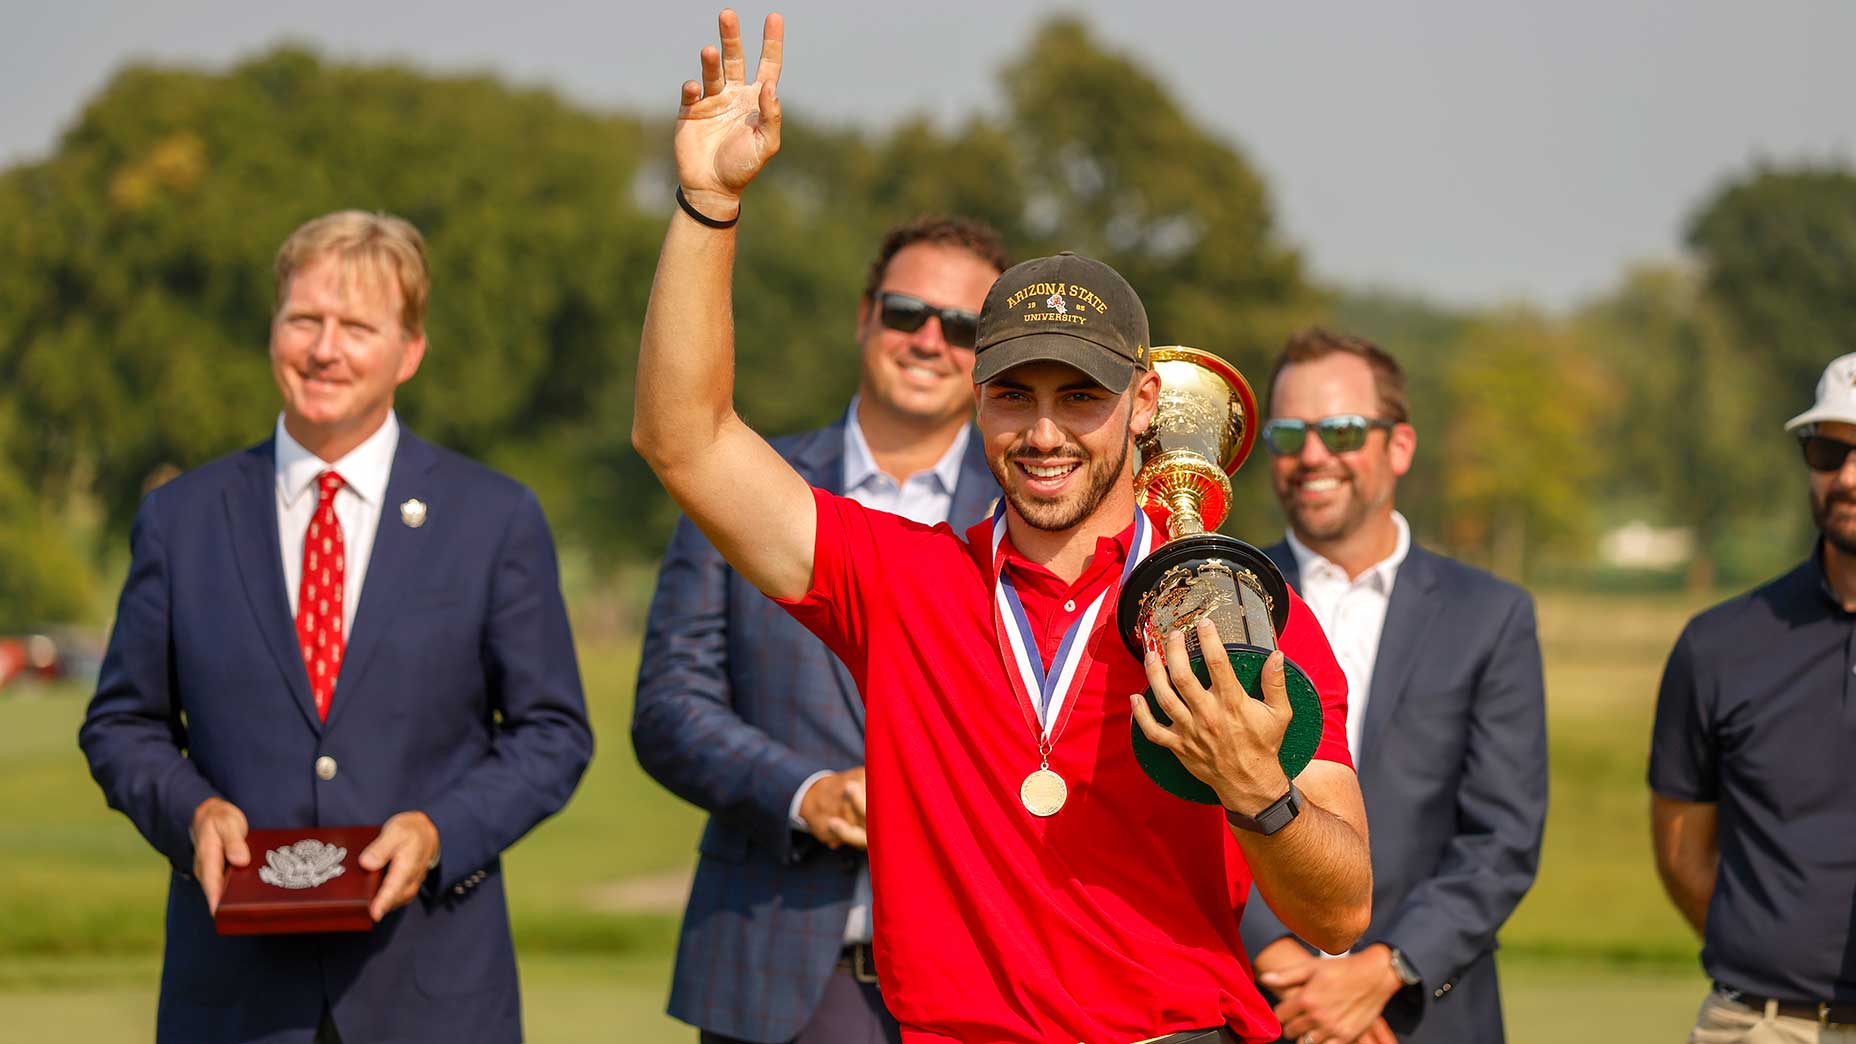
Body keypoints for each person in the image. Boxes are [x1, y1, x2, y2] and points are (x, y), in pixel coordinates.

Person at [630, 13, 1372, 1043]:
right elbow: (685, 441)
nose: (1042, 432)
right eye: (1012, 395)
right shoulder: (900, 579)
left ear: (1144, 401)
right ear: (976, 398)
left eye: (1080, 397)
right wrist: (707, 204)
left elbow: (1338, 907)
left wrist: (1256, 792)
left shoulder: (1225, 607)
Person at [78, 210, 594, 1044]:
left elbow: (552, 734)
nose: (326, 349)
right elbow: (122, 723)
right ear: (273, 330)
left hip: (435, 995)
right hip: (233, 1000)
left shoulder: (493, 517)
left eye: (358, 327)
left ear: (410, 351)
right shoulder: (181, 518)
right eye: (304, 320)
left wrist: (440, 832)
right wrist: (192, 812)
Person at [632, 214, 1007, 1044]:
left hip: (984, 978)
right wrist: (805, 793)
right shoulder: (739, 487)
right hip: (772, 968)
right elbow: (668, 707)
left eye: (963, 326)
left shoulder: (1029, 515)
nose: (929, 341)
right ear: (865, 315)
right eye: (908, 312)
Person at [1238, 328, 1548, 1044]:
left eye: (1341, 430)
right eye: (1289, 434)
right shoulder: (1218, 594)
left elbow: (1502, 837)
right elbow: (1184, 809)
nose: (1312, 455)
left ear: (1399, 446)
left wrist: (1382, 971)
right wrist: (1278, 958)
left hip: (1423, 1016)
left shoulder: (1492, 615)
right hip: (1259, 1008)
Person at [1651, 352, 1856, 1043]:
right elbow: (1682, 850)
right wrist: (1767, 952)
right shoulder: (1721, 644)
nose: (1848, 476)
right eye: (1829, 449)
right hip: (1760, 1027)